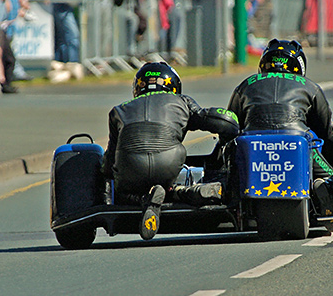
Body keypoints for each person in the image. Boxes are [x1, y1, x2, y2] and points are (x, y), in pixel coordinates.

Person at [102, 61, 239, 240]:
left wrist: (103, 175)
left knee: (123, 194)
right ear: (174, 86)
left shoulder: (118, 110)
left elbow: (110, 160)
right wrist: (231, 130)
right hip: (168, 163)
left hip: (131, 168)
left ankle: (145, 199)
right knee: (171, 175)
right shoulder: (183, 101)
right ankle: (183, 192)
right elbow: (222, 121)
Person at [227, 39, 333, 231]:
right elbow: (326, 129)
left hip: (251, 144)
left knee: (229, 165)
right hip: (298, 140)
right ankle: (322, 184)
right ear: (298, 65)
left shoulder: (246, 84)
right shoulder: (310, 86)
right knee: (329, 174)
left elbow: (232, 124)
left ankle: (233, 195)